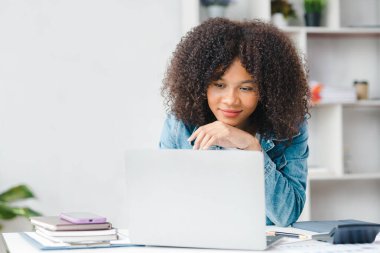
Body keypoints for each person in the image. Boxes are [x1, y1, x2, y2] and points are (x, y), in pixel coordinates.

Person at [159, 18, 310, 227]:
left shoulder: (289, 127)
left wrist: (251, 148)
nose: (230, 100)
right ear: (200, 85)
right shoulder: (180, 125)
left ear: (267, 90)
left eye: (246, 88)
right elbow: (162, 204)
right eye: (219, 85)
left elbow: (286, 215)